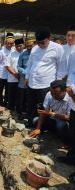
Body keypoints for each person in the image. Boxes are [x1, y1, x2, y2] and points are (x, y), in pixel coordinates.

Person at [25, 27, 64, 127]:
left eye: (42, 42)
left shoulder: (57, 48)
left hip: (46, 84)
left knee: (43, 106)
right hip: (32, 83)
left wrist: (57, 84)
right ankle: (30, 121)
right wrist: (27, 77)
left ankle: (42, 126)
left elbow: (61, 67)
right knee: (30, 104)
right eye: (38, 42)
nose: (40, 45)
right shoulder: (35, 48)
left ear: (49, 38)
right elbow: (30, 64)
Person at [29, 80, 70, 148]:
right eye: (52, 93)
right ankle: (54, 132)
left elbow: (69, 118)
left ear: (64, 91)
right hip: (53, 119)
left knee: (61, 125)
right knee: (34, 121)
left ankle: (67, 143)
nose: (53, 96)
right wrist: (38, 128)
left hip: (66, 123)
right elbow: (44, 112)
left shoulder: (70, 99)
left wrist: (52, 113)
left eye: (56, 93)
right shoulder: (49, 94)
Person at [56, 25, 75, 165]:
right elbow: (64, 70)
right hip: (68, 87)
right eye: (68, 35)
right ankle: (69, 150)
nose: (70, 38)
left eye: (73, 35)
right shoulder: (64, 49)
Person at [17, 36, 35, 120]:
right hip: (23, 79)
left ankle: (30, 114)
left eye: (30, 45)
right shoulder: (23, 54)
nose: (28, 47)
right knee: (22, 97)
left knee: (31, 98)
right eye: (27, 45)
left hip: (34, 80)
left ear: (34, 44)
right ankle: (21, 113)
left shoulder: (37, 53)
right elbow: (18, 67)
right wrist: (25, 72)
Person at [0, 32, 14, 106]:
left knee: (7, 91)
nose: (9, 45)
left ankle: (6, 102)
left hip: (10, 75)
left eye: (11, 43)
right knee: (0, 90)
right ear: (5, 43)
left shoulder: (13, 51)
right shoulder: (1, 52)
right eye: (8, 43)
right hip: (2, 74)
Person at [5, 38, 24, 111]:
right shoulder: (11, 53)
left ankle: (19, 109)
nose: (19, 47)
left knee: (21, 95)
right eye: (17, 46)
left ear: (23, 45)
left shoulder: (26, 53)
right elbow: (7, 65)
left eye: (20, 46)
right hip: (12, 78)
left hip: (22, 79)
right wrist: (14, 73)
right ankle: (11, 108)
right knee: (11, 95)